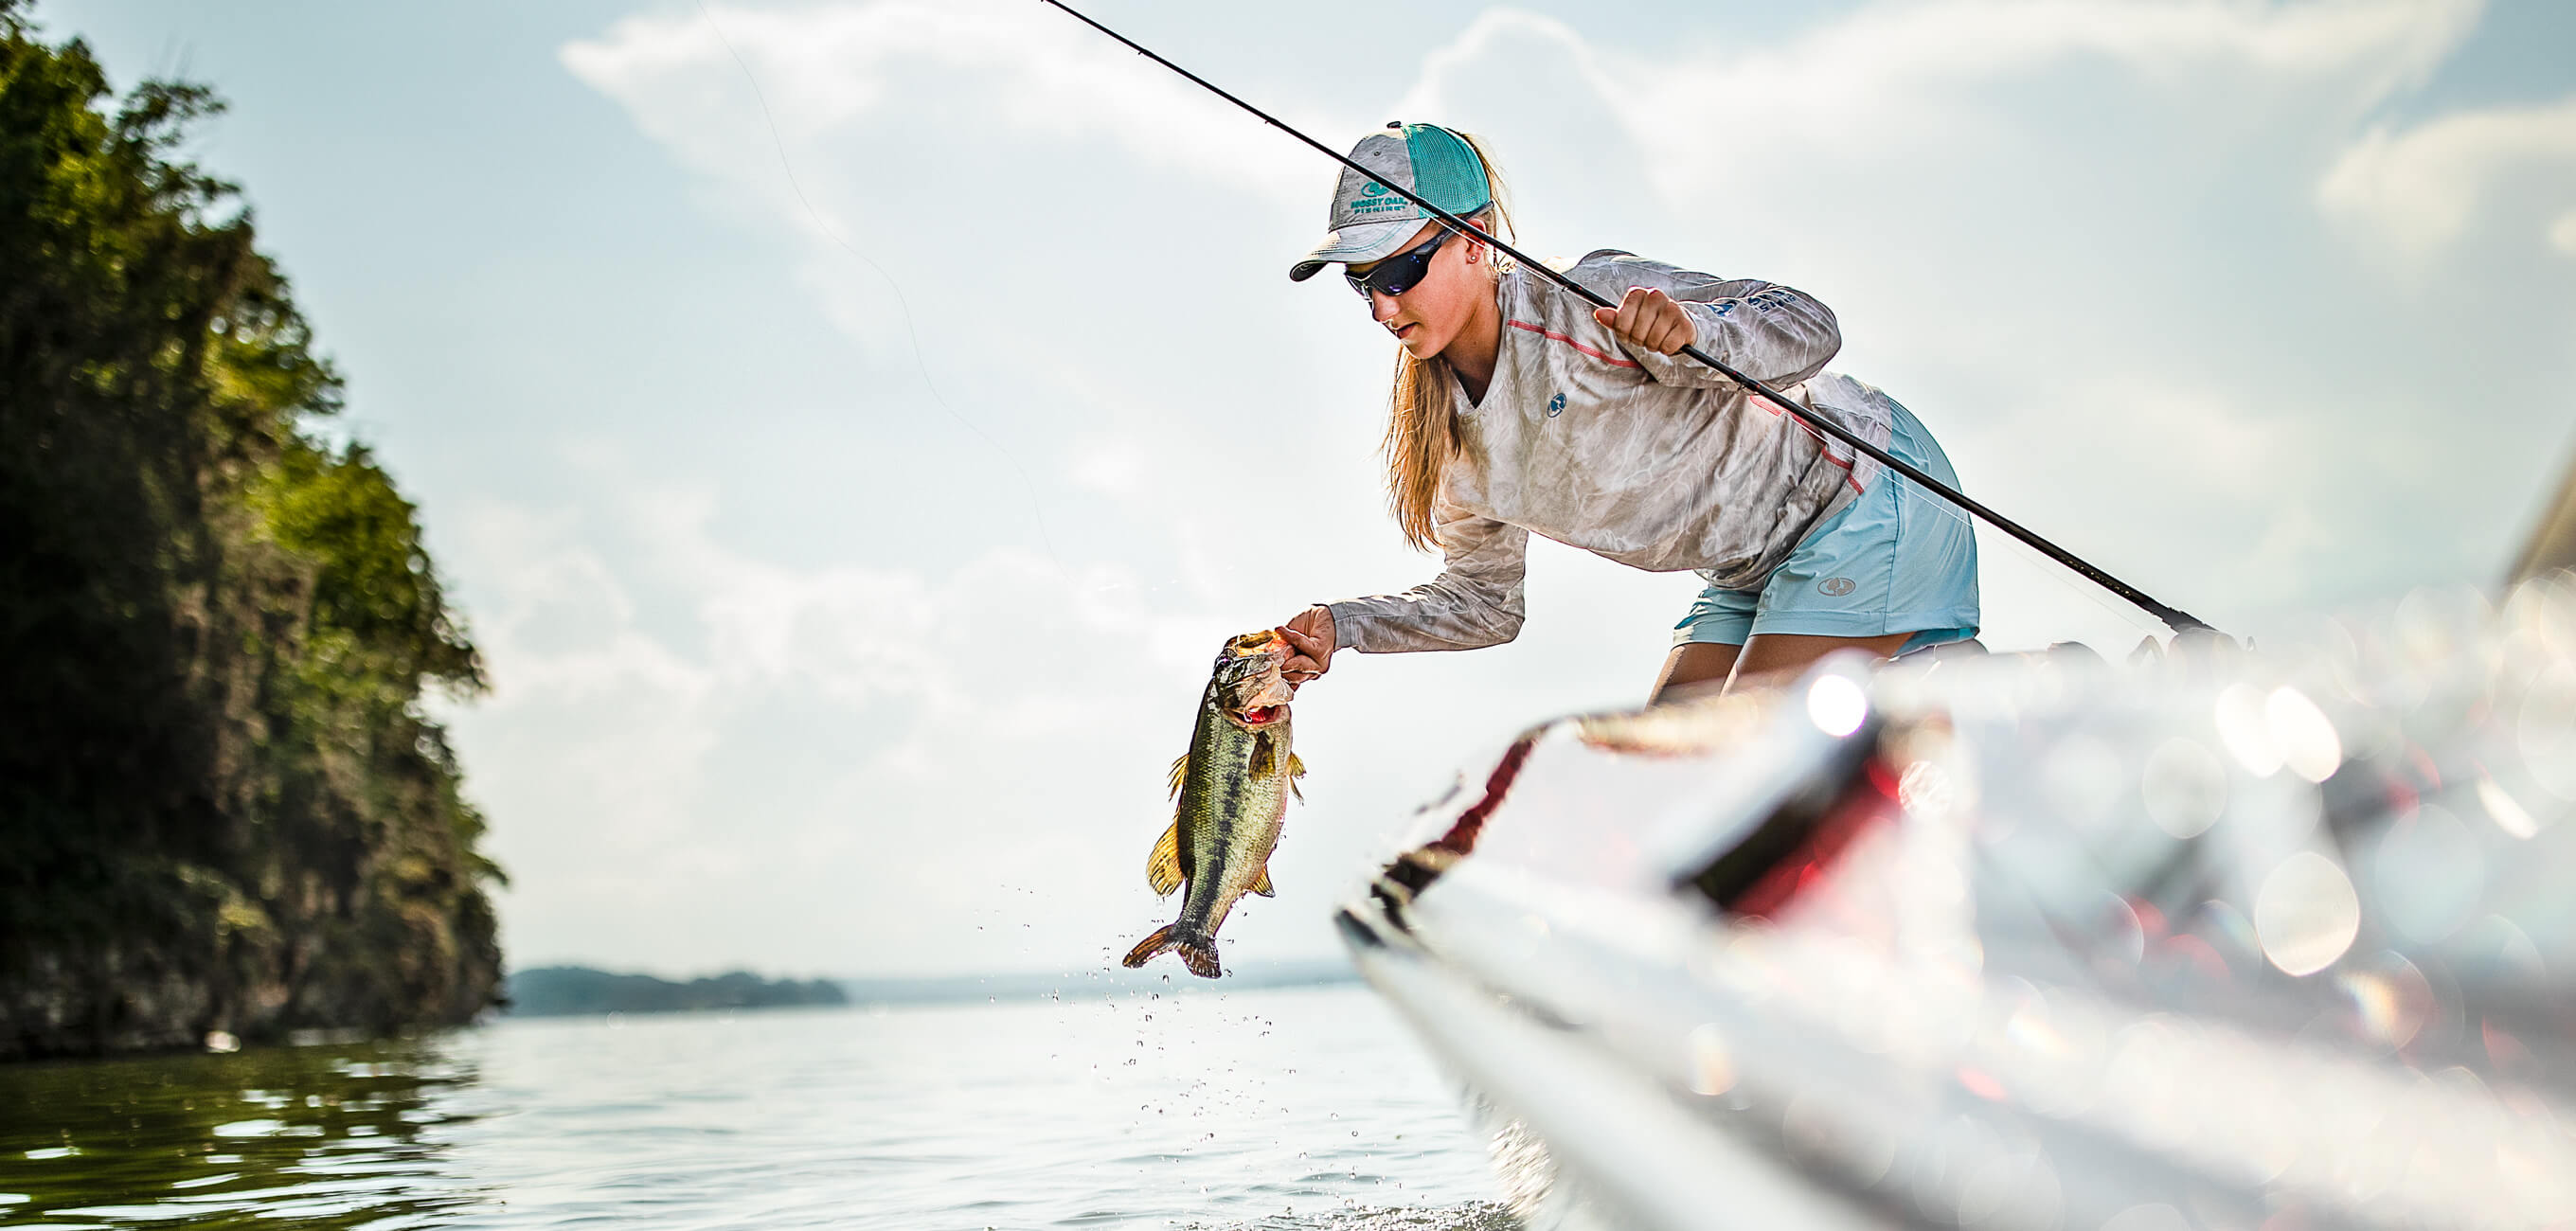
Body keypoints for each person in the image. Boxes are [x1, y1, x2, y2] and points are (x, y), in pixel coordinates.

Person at [1272, 123, 1978, 702]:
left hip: (1862, 493)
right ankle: (1955, 695)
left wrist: (1698, 333)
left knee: (1735, 778)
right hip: (1748, 567)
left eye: (1398, 273)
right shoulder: (1451, 445)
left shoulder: (1585, 299)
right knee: (1657, 775)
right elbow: (1486, 605)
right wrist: (1345, 625)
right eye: (1361, 284)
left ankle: (2003, 700)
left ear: (1475, 240)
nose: (1383, 307)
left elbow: (1811, 324)